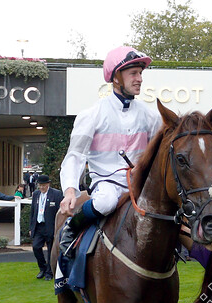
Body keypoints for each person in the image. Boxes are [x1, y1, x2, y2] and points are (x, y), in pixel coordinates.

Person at [58, 46, 160, 253]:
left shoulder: (151, 117)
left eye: (140, 73)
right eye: (133, 73)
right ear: (116, 78)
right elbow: (75, 155)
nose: (139, 78)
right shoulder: (92, 115)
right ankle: (72, 227)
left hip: (140, 185)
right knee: (105, 203)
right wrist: (69, 190)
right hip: (107, 183)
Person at [30, 174, 63, 280]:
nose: (41, 187)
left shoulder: (56, 194)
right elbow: (33, 212)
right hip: (39, 226)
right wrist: (31, 228)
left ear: (48, 184)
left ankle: (49, 273)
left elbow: (60, 212)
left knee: (50, 250)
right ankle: (42, 268)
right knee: (36, 247)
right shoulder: (36, 194)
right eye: (40, 185)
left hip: (50, 227)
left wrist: (58, 228)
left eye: (43, 185)